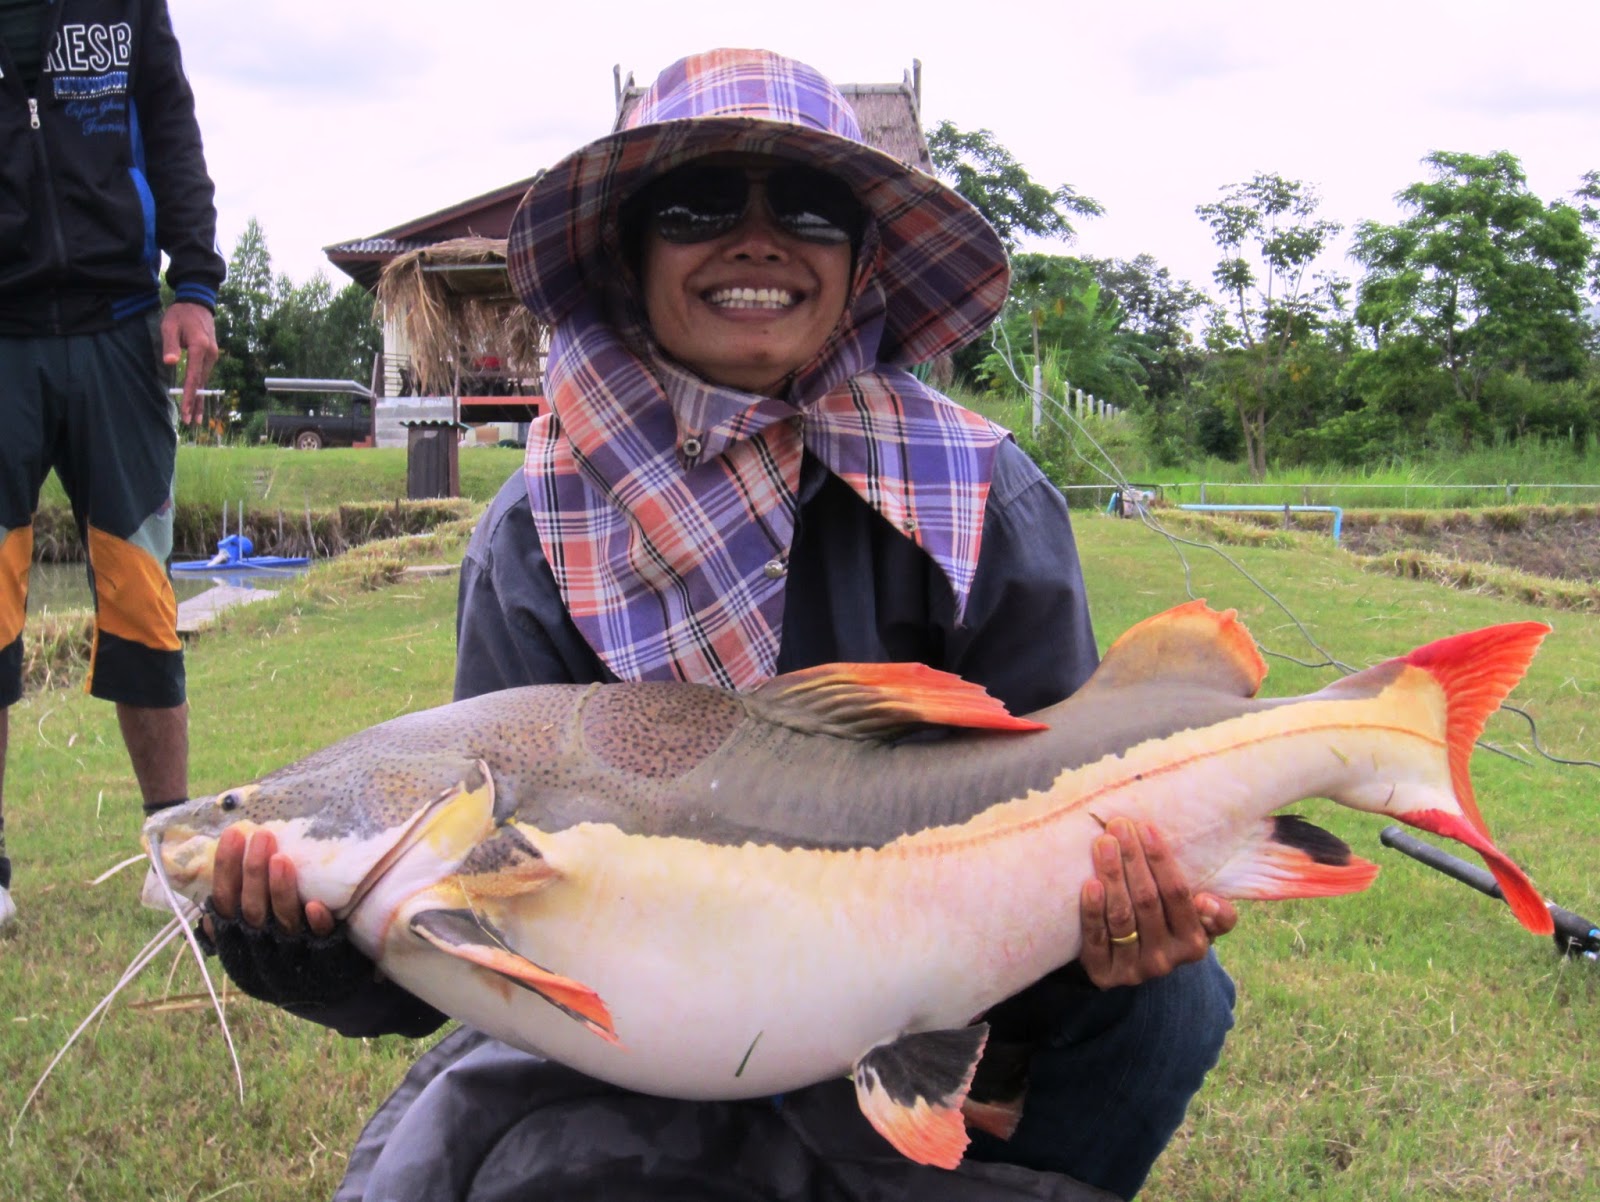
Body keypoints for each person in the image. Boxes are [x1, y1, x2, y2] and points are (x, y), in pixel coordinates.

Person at [201, 48, 1237, 1201]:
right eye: (695, 207)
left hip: (936, 966)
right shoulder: (536, 529)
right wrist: (305, 946)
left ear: (859, 263)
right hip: (641, 1021)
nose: (757, 241)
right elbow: (464, 920)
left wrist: (1117, 918)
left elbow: (1061, 776)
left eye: (808, 209)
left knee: (1168, 998)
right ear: (630, 255)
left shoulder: (981, 491)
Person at [0, 0, 223, 930]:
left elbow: (170, 122)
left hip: (121, 327)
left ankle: (170, 847)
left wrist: (197, 286)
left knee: (140, 591)